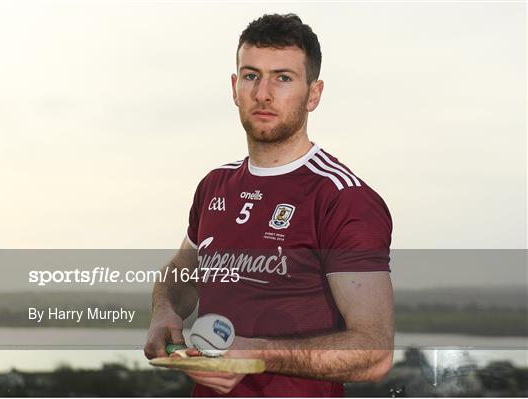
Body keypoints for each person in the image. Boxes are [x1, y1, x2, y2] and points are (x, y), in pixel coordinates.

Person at [144, 13, 394, 397]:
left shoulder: (342, 198)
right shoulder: (214, 186)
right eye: (251, 75)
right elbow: (183, 270)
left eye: (283, 77)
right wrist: (165, 311)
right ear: (234, 87)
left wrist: (254, 353)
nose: (263, 93)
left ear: (314, 93)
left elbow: (375, 353)